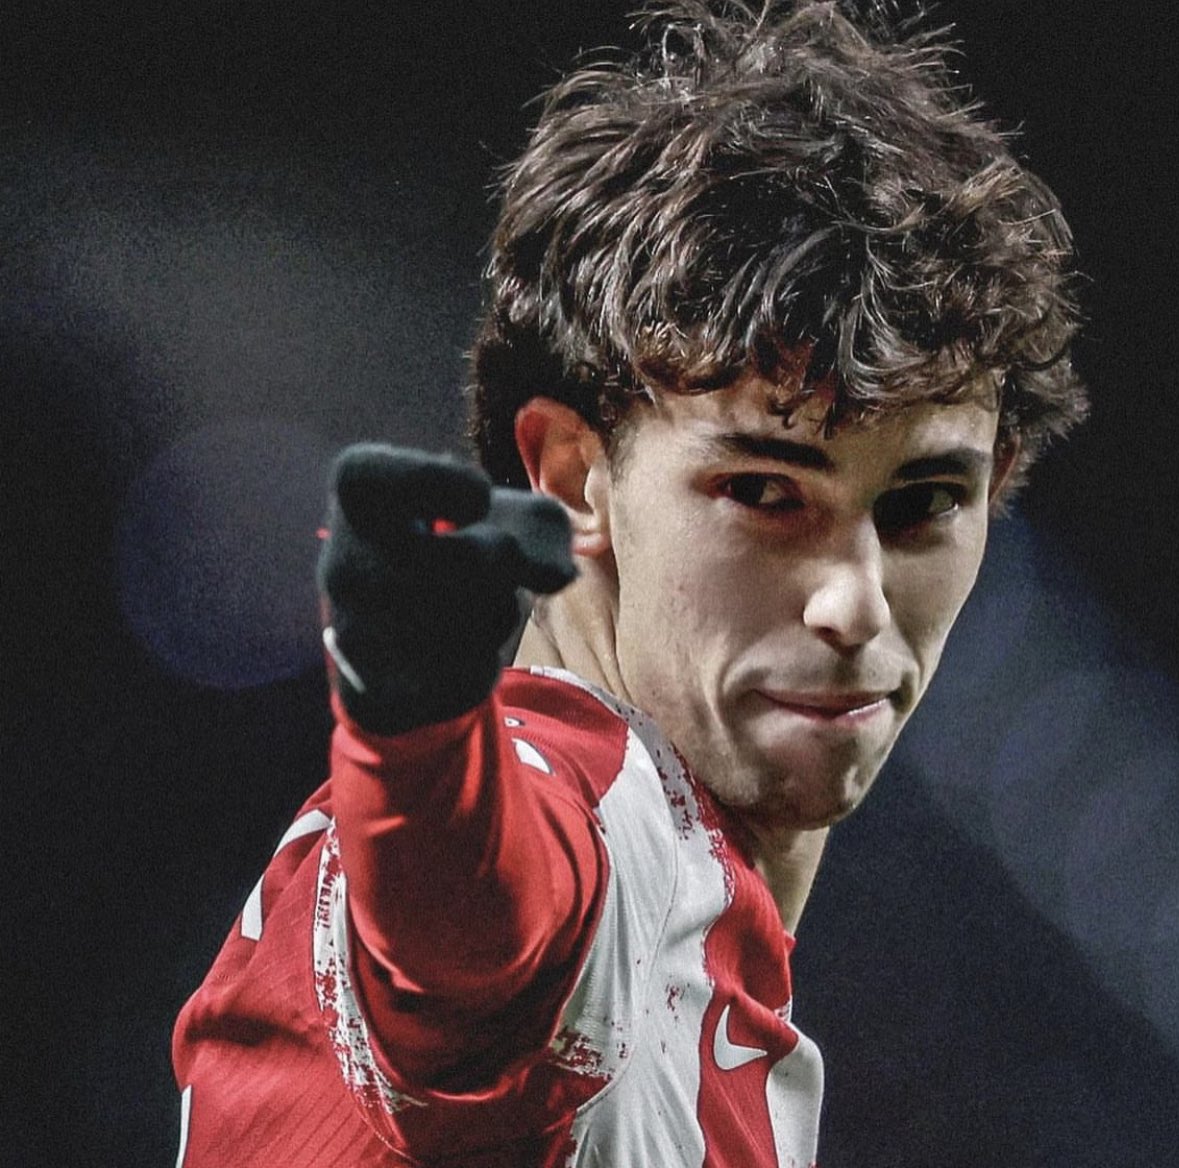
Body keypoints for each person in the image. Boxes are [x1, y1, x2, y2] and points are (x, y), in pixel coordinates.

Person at [172, 2, 1087, 1164]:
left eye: (922, 505)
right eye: (763, 491)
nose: (853, 603)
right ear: (573, 475)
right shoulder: (593, 817)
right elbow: (476, 942)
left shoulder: (705, 957)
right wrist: (419, 740)